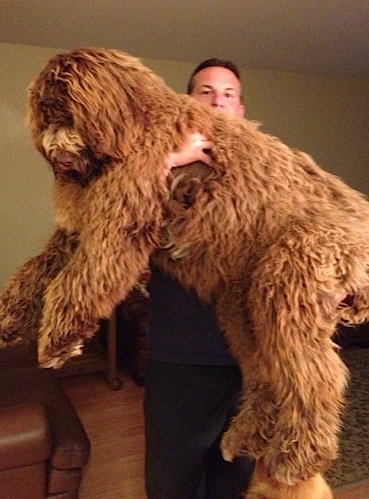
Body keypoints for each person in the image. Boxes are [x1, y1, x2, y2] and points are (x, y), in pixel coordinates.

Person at [144, 59, 255, 499]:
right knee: (173, 481)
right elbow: (109, 216)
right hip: (181, 356)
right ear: (188, 102)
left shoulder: (266, 172)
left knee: (234, 477)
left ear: (241, 110)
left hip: (251, 356)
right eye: (206, 91)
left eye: (228, 94)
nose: (218, 100)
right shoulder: (155, 164)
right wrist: (168, 161)